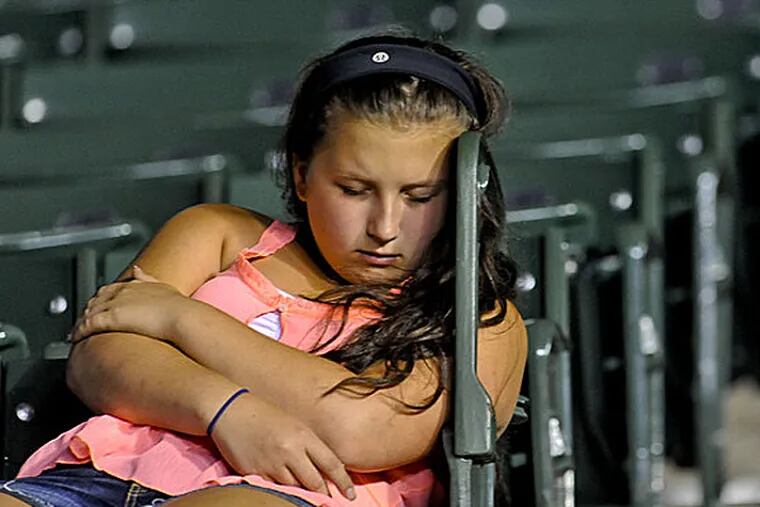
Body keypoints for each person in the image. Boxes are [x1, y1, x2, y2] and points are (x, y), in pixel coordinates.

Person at [0, 32, 527, 507]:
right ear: (301, 174)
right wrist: (227, 411)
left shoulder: (478, 317)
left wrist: (181, 319)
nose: (384, 227)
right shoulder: (216, 234)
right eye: (353, 190)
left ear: (464, 191)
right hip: (96, 477)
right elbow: (98, 357)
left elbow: (361, 427)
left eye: (420, 196)